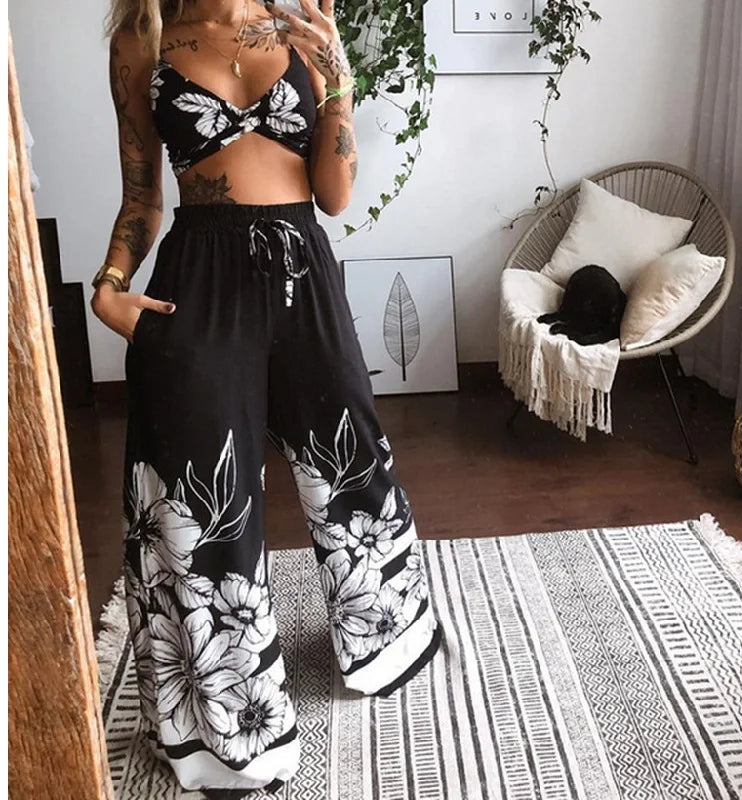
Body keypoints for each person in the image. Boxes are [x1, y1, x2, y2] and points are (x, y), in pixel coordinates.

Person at [91, 1, 442, 795]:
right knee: (201, 496)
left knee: (350, 463)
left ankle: (382, 636)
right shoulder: (143, 38)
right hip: (200, 281)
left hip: (301, 271)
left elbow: (335, 196)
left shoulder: (300, 22)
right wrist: (109, 285)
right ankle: (231, 730)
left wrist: (338, 81)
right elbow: (143, 197)